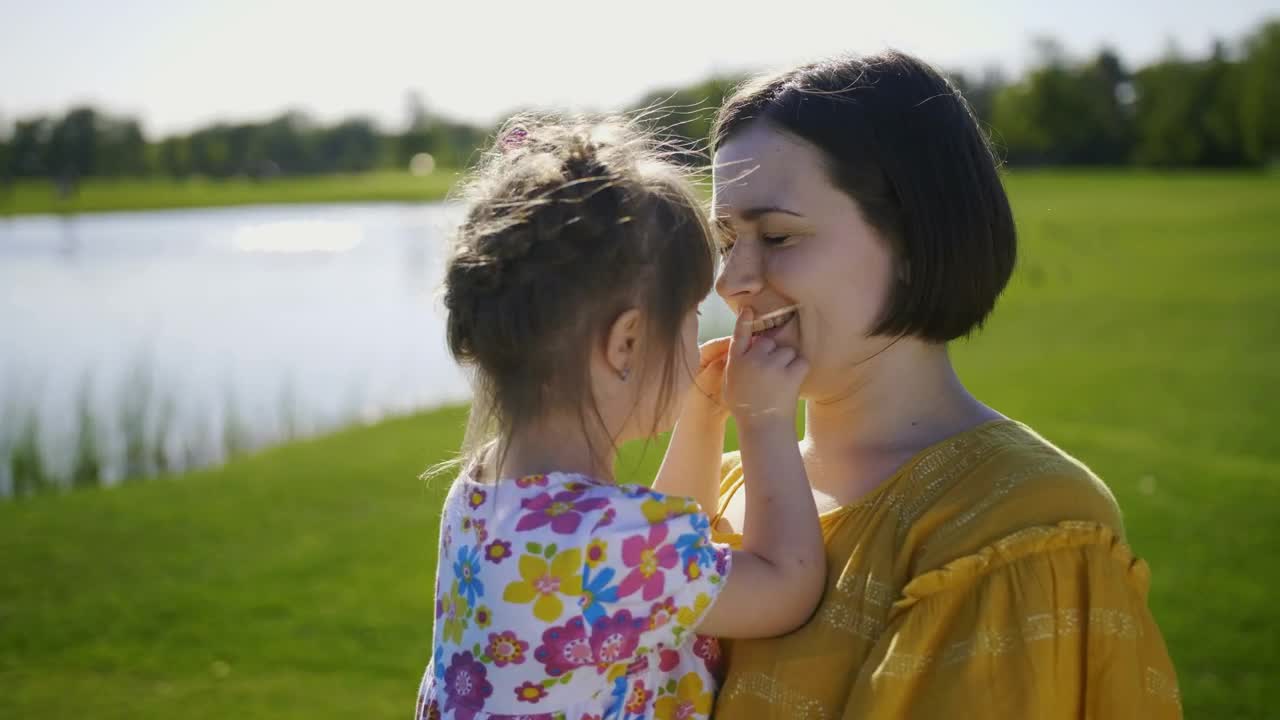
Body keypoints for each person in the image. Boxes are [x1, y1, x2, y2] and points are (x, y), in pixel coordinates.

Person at [416, 115, 825, 720]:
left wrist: (704, 419)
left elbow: (654, 563)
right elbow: (784, 586)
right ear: (626, 344)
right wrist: (764, 418)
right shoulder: (607, 545)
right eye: (688, 314)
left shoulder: (487, 495)